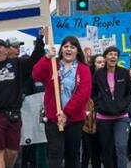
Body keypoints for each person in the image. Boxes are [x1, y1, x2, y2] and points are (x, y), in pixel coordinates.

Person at [0, 36, 44, 168]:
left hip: (13, 114)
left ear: (6, 50)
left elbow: (35, 58)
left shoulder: (17, 64)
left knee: (13, 151)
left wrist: (40, 39)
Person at [31, 36, 92, 168]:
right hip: (53, 118)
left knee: (72, 154)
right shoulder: (52, 64)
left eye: (72, 47)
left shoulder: (83, 69)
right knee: (55, 153)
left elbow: (83, 94)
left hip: (74, 119)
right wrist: (46, 58)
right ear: (61, 49)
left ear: (77, 51)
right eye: (66, 46)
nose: (69, 49)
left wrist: (66, 113)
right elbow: (36, 75)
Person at [91, 46, 131, 168]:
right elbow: (93, 92)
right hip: (103, 118)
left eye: (115, 54)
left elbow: (130, 92)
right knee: (107, 150)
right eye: (110, 54)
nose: (113, 56)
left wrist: (125, 105)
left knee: (121, 146)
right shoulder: (98, 74)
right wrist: (99, 105)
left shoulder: (124, 72)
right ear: (105, 57)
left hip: (122, 117)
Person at [81, 54, 105, 168]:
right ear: (93, 64)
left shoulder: (108, 78)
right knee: (86, 148)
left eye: (103, 62)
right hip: (87, 117)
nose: (101, 64)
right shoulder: (87, 78)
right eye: (98, 62)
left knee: (98, 148)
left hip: (102, 116)